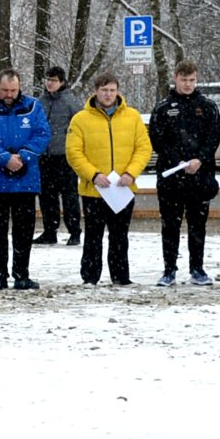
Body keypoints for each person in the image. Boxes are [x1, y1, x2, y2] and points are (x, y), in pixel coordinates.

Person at [66, 73, 150, 287]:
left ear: (118, 91)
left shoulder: (132, 117)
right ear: (95, 91)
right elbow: (74, 152)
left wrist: (131, 173)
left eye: (112, 90)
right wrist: (93, 174)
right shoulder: (80, 119)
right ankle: (90, 276)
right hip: (94, 189)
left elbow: (143, 148)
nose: (108, 94)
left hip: (123, 188)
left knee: (120, 235)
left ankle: (121, 276)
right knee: (93, 236)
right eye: (104, 90)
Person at [0, 69, 49, 290]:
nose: (9, 94)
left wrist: (23, 156)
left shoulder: (33, 106)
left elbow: (42, 134)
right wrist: (4, 159)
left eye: (13, 90)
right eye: (4, 90)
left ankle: (22, 274)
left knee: (24, 231)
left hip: (25, 181)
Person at [146, 63, 220, 285]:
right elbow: (157, 139)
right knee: (170, 224)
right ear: (175, 78)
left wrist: (200, 159)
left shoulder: (207, 106)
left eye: (191, 80)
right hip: (172, 176)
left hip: (200, 175)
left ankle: (197, 268)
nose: (188, 84)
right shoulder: (163, 107)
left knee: (198, 224)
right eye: (184, 80)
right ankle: (169, 269)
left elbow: (213, 136)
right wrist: (177, 161)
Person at [38, 66, 84, 244]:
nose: (50, 83)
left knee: (69, 196)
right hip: (44, 156)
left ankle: (74, 231)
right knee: (47, 197)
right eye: (48, 79)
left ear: (62, 82)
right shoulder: (40, 102)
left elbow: (80, 128)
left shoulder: (70, 101)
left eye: (54, 80)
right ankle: (50, 231)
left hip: (65, 157)